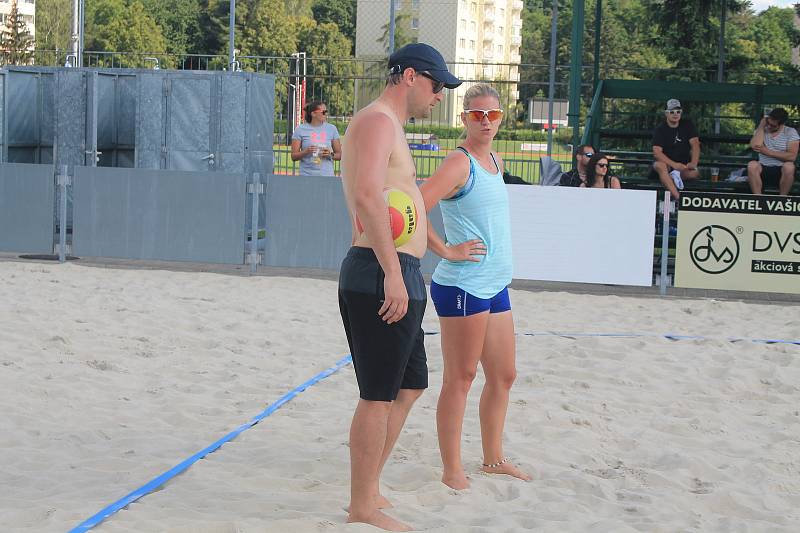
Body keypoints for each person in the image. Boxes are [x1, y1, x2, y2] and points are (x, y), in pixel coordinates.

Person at [338, 42, 461, 531]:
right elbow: (368, 195)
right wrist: (392, 271)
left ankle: (369, 488)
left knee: (410, 386)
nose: (439, 96)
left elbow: (407, 201)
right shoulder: (375, 121)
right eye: (436, 86)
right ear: (410, 76)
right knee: (377, 395)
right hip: (376, 270)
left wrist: (437, 251)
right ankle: (360, 506)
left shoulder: (393, 129)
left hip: (398, 269)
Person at [419, 83, 531, 491]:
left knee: (503, 375)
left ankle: (493, 459)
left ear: (502, 118)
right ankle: (452, 470)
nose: (486, 121)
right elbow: (415, 203)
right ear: (464, 118)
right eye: (477, 114)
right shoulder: (459, 162)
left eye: (493, 114)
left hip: (494, 283)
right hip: (464, 285)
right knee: (461, 378)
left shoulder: (494, 160)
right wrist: (445, 250)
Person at [651, 98, 700, 199]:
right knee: (660, 165)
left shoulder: (687, 125)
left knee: (695, 172)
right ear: (666, 113)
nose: (675, 114)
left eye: (678, 111)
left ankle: (670, 180)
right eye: (672, 112)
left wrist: (693, 163)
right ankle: (678, 199)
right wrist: (674, 165)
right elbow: (657, 152)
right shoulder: (660, 129)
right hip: (666, 166)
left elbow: (695, 144)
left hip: (683, 167)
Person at [747, 107, 798, 196]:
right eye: (768, 123)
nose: (769, 126)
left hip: (781, 170)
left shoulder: (790, 132)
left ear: (782, 124)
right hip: (763, 167)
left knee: (789, 166)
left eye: (773, 125)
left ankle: (782, 199)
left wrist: (768, 152)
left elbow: (791, 156)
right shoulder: (762, 129)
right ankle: (758, 198)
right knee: (752, 165)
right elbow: (755, 146)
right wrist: (762, 125)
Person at [291, 101, 342, 176]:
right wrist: (306, 151)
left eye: (326, 111)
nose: (326, 114)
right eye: (323, 112)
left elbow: (340, 155)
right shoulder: (300, 129)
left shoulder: (332, 129)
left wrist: (330, 154)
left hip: (326, 175)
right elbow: (293, 156)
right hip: (306, 175)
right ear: (313, 114)